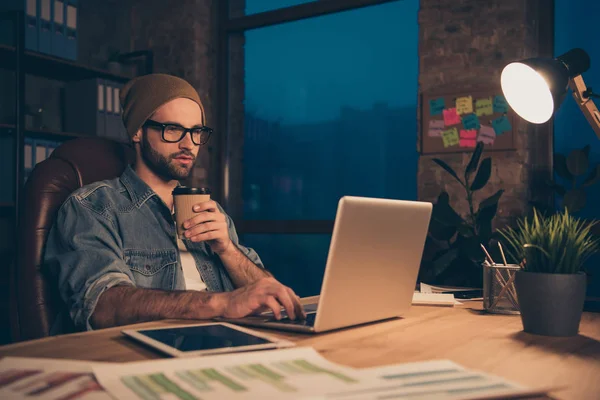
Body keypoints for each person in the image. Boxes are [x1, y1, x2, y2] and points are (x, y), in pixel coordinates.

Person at [44, 73, 305, 333]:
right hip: (147, 356)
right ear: (137, 132)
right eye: (173, 129)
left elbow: (269, 294)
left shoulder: (212, 212)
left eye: (196, 132)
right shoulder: (93, 207)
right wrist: (219, 304)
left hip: (224, 348)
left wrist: (227, 249)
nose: (188, 144)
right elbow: (102, 306)